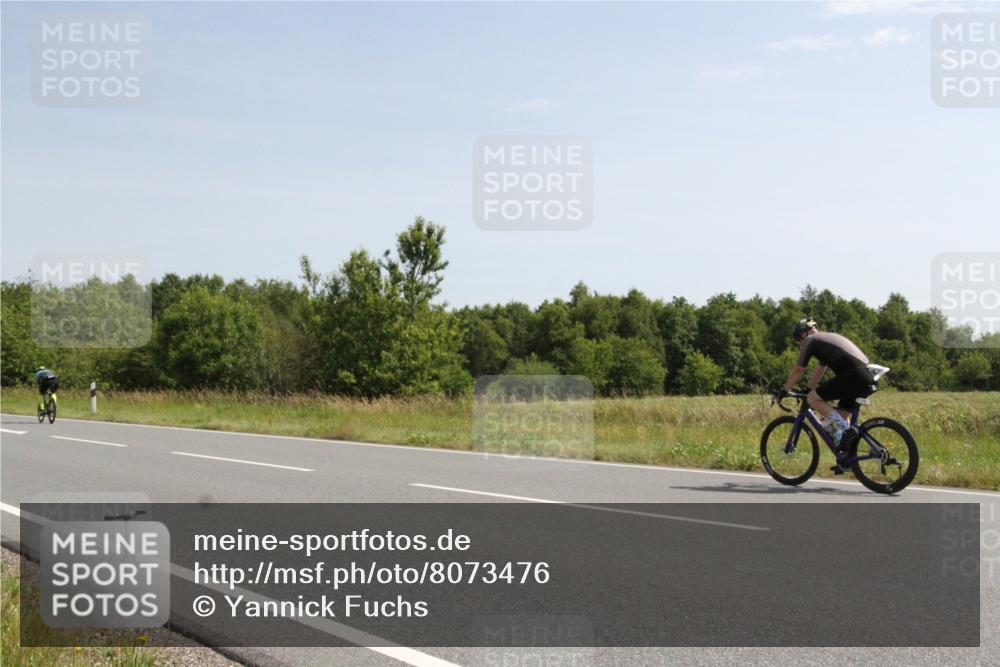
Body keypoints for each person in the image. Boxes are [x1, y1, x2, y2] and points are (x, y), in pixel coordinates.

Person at [781, 318, 874, 455]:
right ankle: (849, 458)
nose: (800, 344)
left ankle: (847, 431)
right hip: (867, 376)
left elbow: (799, 370)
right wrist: (808, 388)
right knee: (842, 414)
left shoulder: (811, 340)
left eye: (799, 340)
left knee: (812, 399)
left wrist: (784, 389)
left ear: (804, 334)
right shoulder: (826, 340)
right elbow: (820, 369)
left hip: (853, 376)